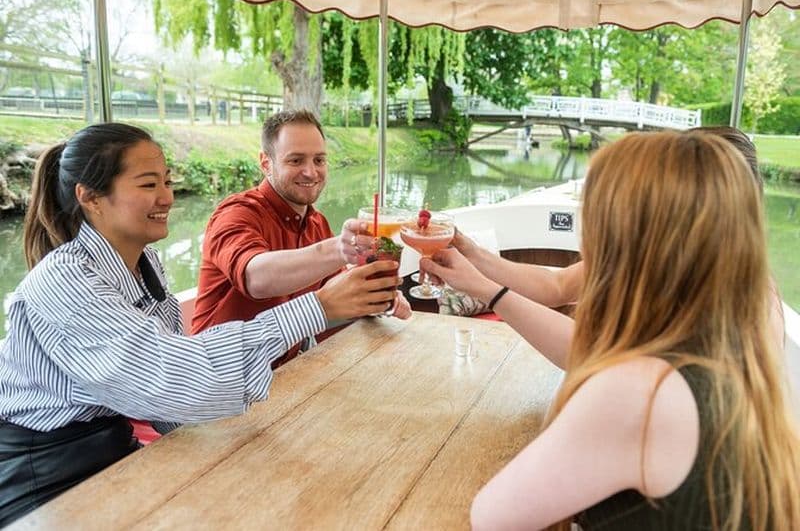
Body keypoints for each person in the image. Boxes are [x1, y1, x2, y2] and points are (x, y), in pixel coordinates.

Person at [0, 123, 401, 526]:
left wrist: (247, 444)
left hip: (117, 449)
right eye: (147, 185)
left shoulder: (146, 264)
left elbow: (170, 405)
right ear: (89, 198)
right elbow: (173, 377)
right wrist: (319, 306)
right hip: (46, 480)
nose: (167, 197)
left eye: (168, 181)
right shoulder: (64, 283)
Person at [422, 131, 800, 529]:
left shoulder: (643, 391)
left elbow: (493, 517)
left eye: (597, 214)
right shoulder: (719, 348)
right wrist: (479, 264)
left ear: (630, 238)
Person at [447, 126, 785, 353]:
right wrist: (474, 254)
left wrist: (488, 292)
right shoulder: (662, 251)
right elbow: (557, 286)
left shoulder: (750, 300)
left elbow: (591, 355)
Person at [191, 110, 410, 363]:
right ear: (266, 163)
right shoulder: (236, 213)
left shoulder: (317, 223)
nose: (310, 172)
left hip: (286, 375)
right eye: (295, 161)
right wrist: (339, 248)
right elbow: (255, 278)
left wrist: (381, 300)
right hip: (220, 382)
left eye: (319, 160)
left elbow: (339, 299)